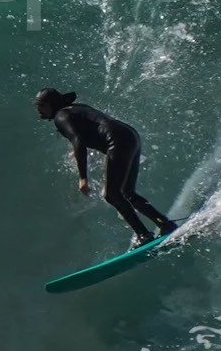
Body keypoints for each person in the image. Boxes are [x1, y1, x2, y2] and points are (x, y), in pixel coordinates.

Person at [36, 89, 180, 245]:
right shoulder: (76, 108)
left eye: (41, 105)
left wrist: (83, 177)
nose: (38, 110)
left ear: (52, 104)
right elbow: (94, 129)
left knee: (112, 195)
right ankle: (165, 224)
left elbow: (78, 141)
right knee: (127, 192)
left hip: (116, 142)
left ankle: (143, 235)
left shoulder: (60, 116)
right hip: (130, 135)